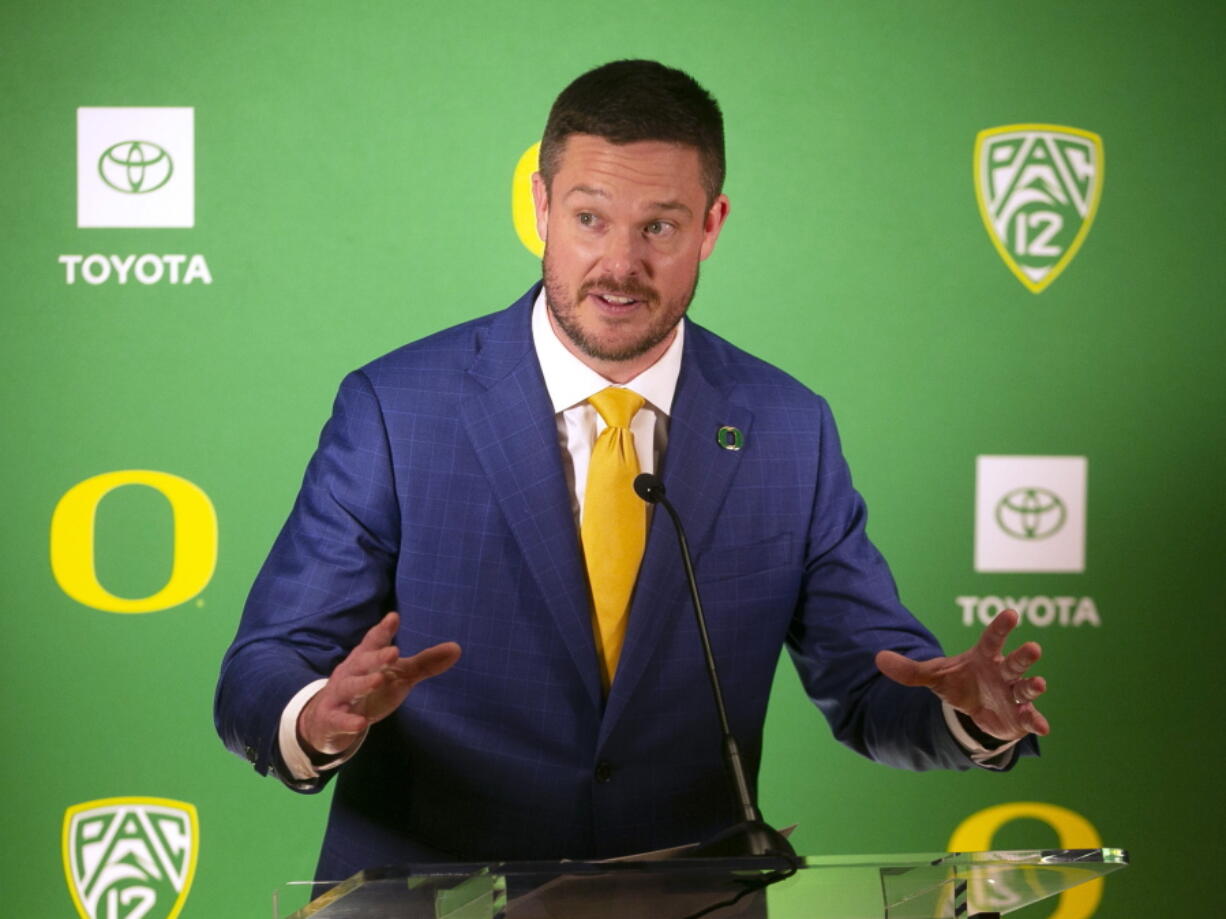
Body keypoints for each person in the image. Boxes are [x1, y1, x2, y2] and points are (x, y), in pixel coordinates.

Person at [214, 59, 1047, 882]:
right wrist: (318, 719)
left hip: (686, 901)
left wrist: (959, 711)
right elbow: (266, 663)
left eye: (660, 226)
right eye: (589, 218)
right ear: (541, 205)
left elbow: (873, 684)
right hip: (433, 897)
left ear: (711, 226)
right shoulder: (398, 408)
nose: (619, 264)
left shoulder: (790, 429)